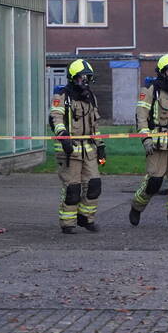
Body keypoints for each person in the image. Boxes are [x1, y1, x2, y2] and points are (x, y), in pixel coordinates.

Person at [129, 54, 168, 230]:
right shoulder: (150, 89)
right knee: (154, 182)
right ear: (162, 72)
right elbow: (141, 117)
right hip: (156, 143)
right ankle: (137, 206)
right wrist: (146, 139)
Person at [48, 59, 106, 234]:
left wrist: (100, 145)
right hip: (70, 149)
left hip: (89, 150)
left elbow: (95, 125)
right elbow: (55, 118)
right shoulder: (62, 97)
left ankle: (86, 218)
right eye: (82, 78)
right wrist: (63, 136)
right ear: (73, 78)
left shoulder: (91, 98)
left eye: (87, 78)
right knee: (73, 188)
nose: (85, 82)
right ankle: (68, 223)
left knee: (94, 184)